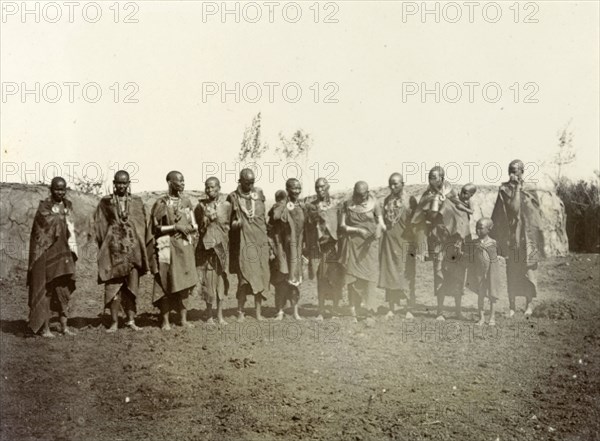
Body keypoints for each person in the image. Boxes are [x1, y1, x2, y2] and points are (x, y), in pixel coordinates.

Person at [406, 166, 471, 320]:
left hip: (454, 240)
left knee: (457, 273)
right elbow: (420, 217)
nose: (431, 180)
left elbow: (459, 210)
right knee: (439, 272)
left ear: (442, 178)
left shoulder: (451, 191)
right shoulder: (427, 195)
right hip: (438, 240)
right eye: (429, 177)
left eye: (434, 177)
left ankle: (457, 310)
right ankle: (440, 311)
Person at [94, 170, 151, 332]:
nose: (121, 186)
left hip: (132, 252)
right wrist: (108, 243)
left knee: (131, 288)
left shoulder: (137, 202)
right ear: (114, 183)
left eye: (124, 183)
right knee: (114, 287)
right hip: (114, 252)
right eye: (118, 182)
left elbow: (142, 226)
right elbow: (99, 226)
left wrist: (136, 244)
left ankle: (131, 320)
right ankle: (114, 322)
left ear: (128, 184)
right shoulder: (106, 202)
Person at [491, 159, 544, 317]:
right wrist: (517, 188)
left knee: (529, 269)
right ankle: (512, 306)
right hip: (513, 235)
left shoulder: (531, 190)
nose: (512, 173)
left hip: (528, 237)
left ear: (522, 171)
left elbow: (536, 215)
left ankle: (529, 305)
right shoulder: (505, 189)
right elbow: (513, 209)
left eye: (516, 170)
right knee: (512, 269)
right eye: (510, 170)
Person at [27, 177, 77, 337]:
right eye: (57, 189)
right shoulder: (44, 206)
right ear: (51, 189)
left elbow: (71, 227)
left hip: (64, 253)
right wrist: (60, 221)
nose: (60, 192)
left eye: (63, 189)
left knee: (63, 289)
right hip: (48, 253)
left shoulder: (68, 205)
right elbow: (40, 231)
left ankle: (64, 326)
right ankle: (45, 328)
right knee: (47, 289)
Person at [150, 171, 198, 330]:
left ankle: (183, 319)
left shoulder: (186, 202)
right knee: (165, 281)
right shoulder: (161, 203)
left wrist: (189, 229)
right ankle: (165, 320)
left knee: (184, 281)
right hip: (166, 246)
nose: (183, 183)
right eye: (179, 181)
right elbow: (155, 228)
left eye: (184, 180)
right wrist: (175, 227)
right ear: (170, 182)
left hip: (184, 247)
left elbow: (194, 224)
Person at [227, 168, 270, 321]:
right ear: (240, 180)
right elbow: (228, 222)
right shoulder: (232, 197)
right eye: (247, 183)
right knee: (244, 279)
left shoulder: (259, 194)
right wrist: (236, 224)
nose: (250, 186)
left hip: (260, 242)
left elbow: (262, 218)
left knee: (261, 276)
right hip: (243, 243)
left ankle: (258, 312)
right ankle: (240, 311)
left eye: (252, 182)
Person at [339, 181, 385, 321]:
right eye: (357, 195)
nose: (360, 198)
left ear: (367, 193)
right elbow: (342, 226)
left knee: (370, 279)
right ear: (354, 192)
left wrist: (377, 231)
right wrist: (358, 230)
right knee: (352, 278)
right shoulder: (347, 205)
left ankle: (369, 311)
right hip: (353, 245)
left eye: (363, 195)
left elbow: (381, 224)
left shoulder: (374, 204)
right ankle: (353, 311)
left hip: (369, 247)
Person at [304, 178, 344, 320]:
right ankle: (320, 311)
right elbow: (308, 228)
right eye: (317, 188)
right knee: (321, 279)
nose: (320, 190)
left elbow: (341, 225)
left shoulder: (336, 204)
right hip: (320, 248)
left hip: (334, 246)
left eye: (322, 187)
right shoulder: (312, 206)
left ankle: (334, 311)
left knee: (335, 279)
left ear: (328, 187)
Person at [378, 173, 417, 319]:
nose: (392, 187)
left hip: (406, 242)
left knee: (406, 274)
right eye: (390, 184)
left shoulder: (410, 200)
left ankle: (408, 308)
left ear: (402, 183)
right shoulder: (387, 199)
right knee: (390, 274)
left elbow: (417, 221)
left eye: (396, 184)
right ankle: (391, 307)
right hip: (389, 241)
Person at [195, 177, 231, 325]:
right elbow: (199, 229)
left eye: (212, 187)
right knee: (209, 281)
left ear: (219, 188)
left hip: (222, 247)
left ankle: (220, 315)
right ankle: (209, 315)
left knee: (221, 280)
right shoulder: (200, 207)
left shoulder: (227, 205)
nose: (209, 190)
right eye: (207, 187)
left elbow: (227, 226)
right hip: (207, 248)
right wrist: (206, 219)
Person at [268, 178, 305, 320]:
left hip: (296, 249)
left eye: (298, 188)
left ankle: (295, 311)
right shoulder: (279, 205)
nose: (296, 191)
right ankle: (280, 311)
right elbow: (271, 224)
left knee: (294, 281)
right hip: (282, 249)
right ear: (287, 189)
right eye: (293, 188)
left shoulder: (302, 207)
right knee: (281, 281)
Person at [465, 218, 501, 326]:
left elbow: (494, 261)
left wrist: (491, 274)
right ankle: (481, 318)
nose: (478, 231)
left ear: (489, 229)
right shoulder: (475, 243)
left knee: (492, 295)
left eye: (480, 228)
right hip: (479, 273)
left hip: (491, 273)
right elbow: (471, 258)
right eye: (476, 228)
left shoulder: (493, 243)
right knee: (480, 295)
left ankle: (492, 317)